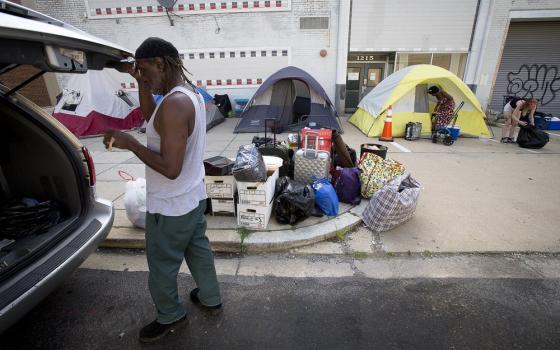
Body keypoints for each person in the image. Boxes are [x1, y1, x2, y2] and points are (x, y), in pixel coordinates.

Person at [103, 37, 222, 343]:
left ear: (160, 63)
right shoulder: (187, 94)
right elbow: (152, 118)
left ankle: (170, 315)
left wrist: (131, 144)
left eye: (144, 70)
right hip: (192, 198)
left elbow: (170, 168)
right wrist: (140, 82)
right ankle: (210, 296)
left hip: (170, 206)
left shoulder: (174, 104)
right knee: (198, 251)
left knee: (162, 265)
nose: (142, 76)